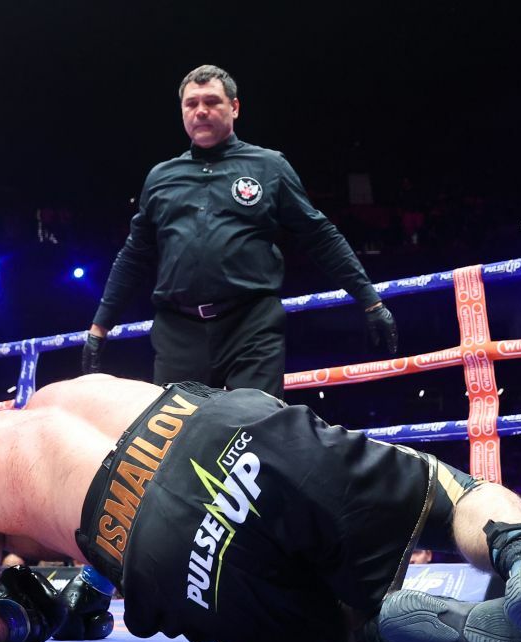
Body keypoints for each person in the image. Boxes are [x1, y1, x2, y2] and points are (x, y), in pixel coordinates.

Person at [0, 374, 521, 642]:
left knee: (330, 628)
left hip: (163, 542)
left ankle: (392, 629)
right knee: (450, 494)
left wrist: (26, 611)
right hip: (232, 428)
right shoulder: (64, 392)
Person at [81, 66, 396, 398]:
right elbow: (134, 254)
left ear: (234, 107)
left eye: (211, 101)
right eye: (191, 104)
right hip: (178, 331)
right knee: (181, 427)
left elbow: (319, 236)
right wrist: (100, 326)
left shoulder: (269, 166)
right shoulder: (161, 177)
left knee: (256, 422)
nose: (201, 111)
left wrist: (370, 300)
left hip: (251, 324)